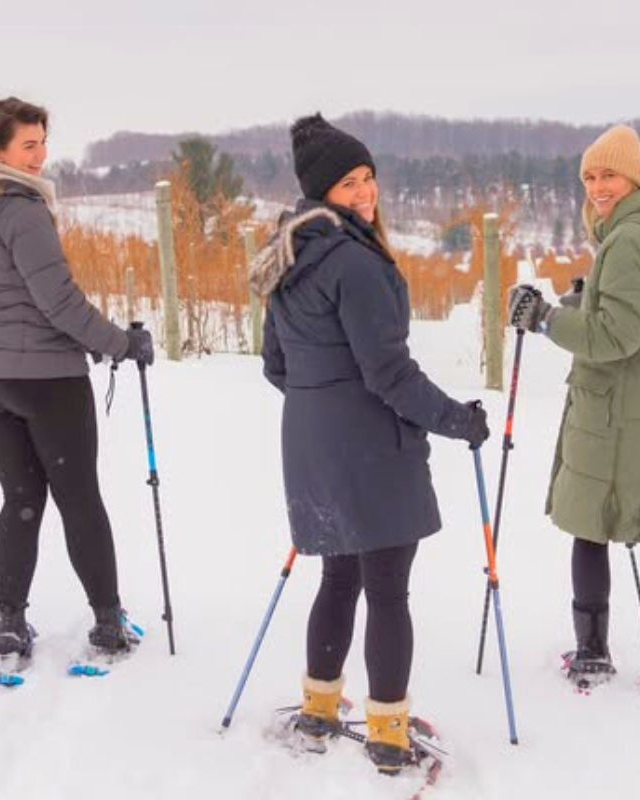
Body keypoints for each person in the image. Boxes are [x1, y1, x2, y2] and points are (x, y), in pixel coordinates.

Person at [250, 114, 489, 771]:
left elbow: (277, 366)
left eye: (368, 178)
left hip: (311, 448)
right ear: (322, 191)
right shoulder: (352, 262)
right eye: (348, 183)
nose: (364, 192)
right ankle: (387, 731)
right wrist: (456, 419)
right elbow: (387, 373)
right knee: (386, 590)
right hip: (369, 450)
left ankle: (320, 709)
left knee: (339, 577)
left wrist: (322, 410)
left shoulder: (292, 253)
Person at [0, 97, 154, 660]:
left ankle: (11, 623)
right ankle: (109, 620)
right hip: (46, 378)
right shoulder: (23, 212)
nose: (40, 157)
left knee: (20, 497)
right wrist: (122, 344)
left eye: (43, 143)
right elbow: (59, 303)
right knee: (79, 497)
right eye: (28, 145)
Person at [508, 124, 640, 715]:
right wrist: (589, 296)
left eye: (609, 175)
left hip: (623, 414)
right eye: (590, 177)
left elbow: (615, 336)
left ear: (635, 178)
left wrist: (546, 318)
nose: (598, 187)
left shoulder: (628, 240)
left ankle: (593, 654)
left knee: (590, 523)